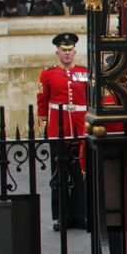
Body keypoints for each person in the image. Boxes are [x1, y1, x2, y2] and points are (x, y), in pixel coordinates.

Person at [36, 32, 88, 231]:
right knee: (59, 174)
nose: (67, 54)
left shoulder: (84, 71)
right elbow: (43, 101)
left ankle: (80, 214)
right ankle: (61, 216)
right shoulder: (48, 74)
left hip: (80, 127)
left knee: (80, 173)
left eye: (70, 50)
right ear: (57, 52)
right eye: (63, 51)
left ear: (74, 51)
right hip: (58, 128)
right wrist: (44, 124)